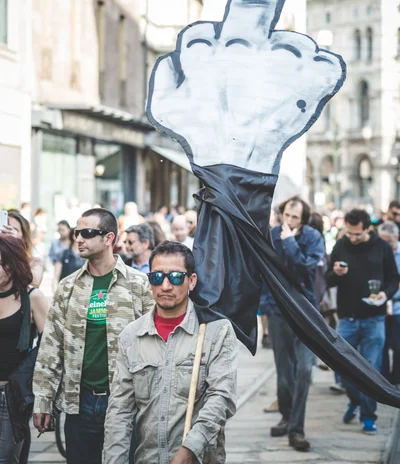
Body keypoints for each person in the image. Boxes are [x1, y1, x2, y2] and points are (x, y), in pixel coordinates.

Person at [32, 208, 154, 464]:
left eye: (87, 233)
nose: (79, 238)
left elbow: (154, 341)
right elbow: (51, 345)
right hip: (80, 401)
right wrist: (43, 400)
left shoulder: (139, 284)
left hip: (125, 400)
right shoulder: (68, 287)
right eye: (78, 232)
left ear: (109, 238)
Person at [102, 241, 238, 464]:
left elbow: (222, 397)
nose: (165, 285)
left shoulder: (216, 331)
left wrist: (190, 448)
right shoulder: (131, 336)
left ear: (191, 281)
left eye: (175, 277)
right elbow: (120, 411)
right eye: (157, 277)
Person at [326, 209, 399, 434]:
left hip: (373, 320)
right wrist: (335, 273)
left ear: (368, 229)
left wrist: (384, 295)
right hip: (347, 318)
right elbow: (327, 280)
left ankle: (368, 416)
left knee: (371, 370)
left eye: (357, 234)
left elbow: (394, 280)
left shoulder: (382, 248)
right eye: (349, 233)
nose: (353, 238)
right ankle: (355, 400)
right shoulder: (341, 245)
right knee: (342, 368)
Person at [265, 196, 325, 452]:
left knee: (304, 370)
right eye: (286, 215)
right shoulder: (270, 234)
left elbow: (304, 268)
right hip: (278, 309)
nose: (288, 221)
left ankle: (296, 429)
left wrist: (289, 241)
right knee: (283, 370)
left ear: (303, 219)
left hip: (304, 309)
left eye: (294, 218)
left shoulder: (312, 237)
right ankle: (288, 417)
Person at [0, 235, 48, 464]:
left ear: (14, 263)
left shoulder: (31, 297)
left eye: (3, 263)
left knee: (7, 456)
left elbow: (50, 345)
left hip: (11, 394)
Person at [377, 221, 400, 385]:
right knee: (382, 345)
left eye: (389, 241)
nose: (385, 245)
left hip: (398, 307)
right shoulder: (377, 253)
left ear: (396, 238)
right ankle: (384, 380)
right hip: (381, 305)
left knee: (398, 346)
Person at [2, 211, 45, 288]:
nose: (8, 232)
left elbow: (36, 282)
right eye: (5, 228)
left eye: (14, 229)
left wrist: (15, 246)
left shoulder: (35, 262)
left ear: (24, 237)